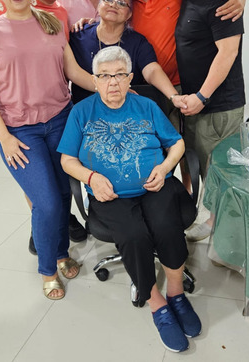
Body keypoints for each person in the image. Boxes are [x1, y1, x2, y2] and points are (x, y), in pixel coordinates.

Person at [58, 46, 201, 352]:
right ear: (94, 80)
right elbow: (67, 160)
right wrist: (91, 178)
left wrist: (165, 167)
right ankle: (157, 303)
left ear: (130, 78)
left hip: (156, 186)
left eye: (119, 75)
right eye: (104, 76)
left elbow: (177, 143)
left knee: (167, 226)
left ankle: (176, 294)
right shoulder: (81, 112)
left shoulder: (146, 106)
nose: (112, 82)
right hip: (110, 196)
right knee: (133, 236)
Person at [0, 0, 95, 300]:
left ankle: (61, 253)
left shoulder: (51, 23)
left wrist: (106, 85)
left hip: (59, 122)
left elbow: (72, 71)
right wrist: (4, 137)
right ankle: (47, 270)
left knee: (63, 195)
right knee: (47, 202)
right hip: (19, 132)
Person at [115, 0, 247, 203]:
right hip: (156, 91)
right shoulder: (127, 2)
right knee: (174, 149)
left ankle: (205, 206)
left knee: (210, 159)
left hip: (193, 91)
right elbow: (108, 16)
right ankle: (181, 200)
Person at [160, 0, 246, 241]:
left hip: (218, 105)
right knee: (212, 175)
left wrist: (202, 96)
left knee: (224, 176)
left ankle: (230, 245)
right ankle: (214, 224)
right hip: (199, 106)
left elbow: (228, 52)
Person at [70, 0, 186, 109]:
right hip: (85, 113)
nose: (113, 5)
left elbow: (152, 70)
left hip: (127, 112)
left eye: (121, 3)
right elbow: (70, 71)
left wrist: (174, 96)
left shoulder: (138, 42)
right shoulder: (78, 35)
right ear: (98, 6)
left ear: (129, 14)